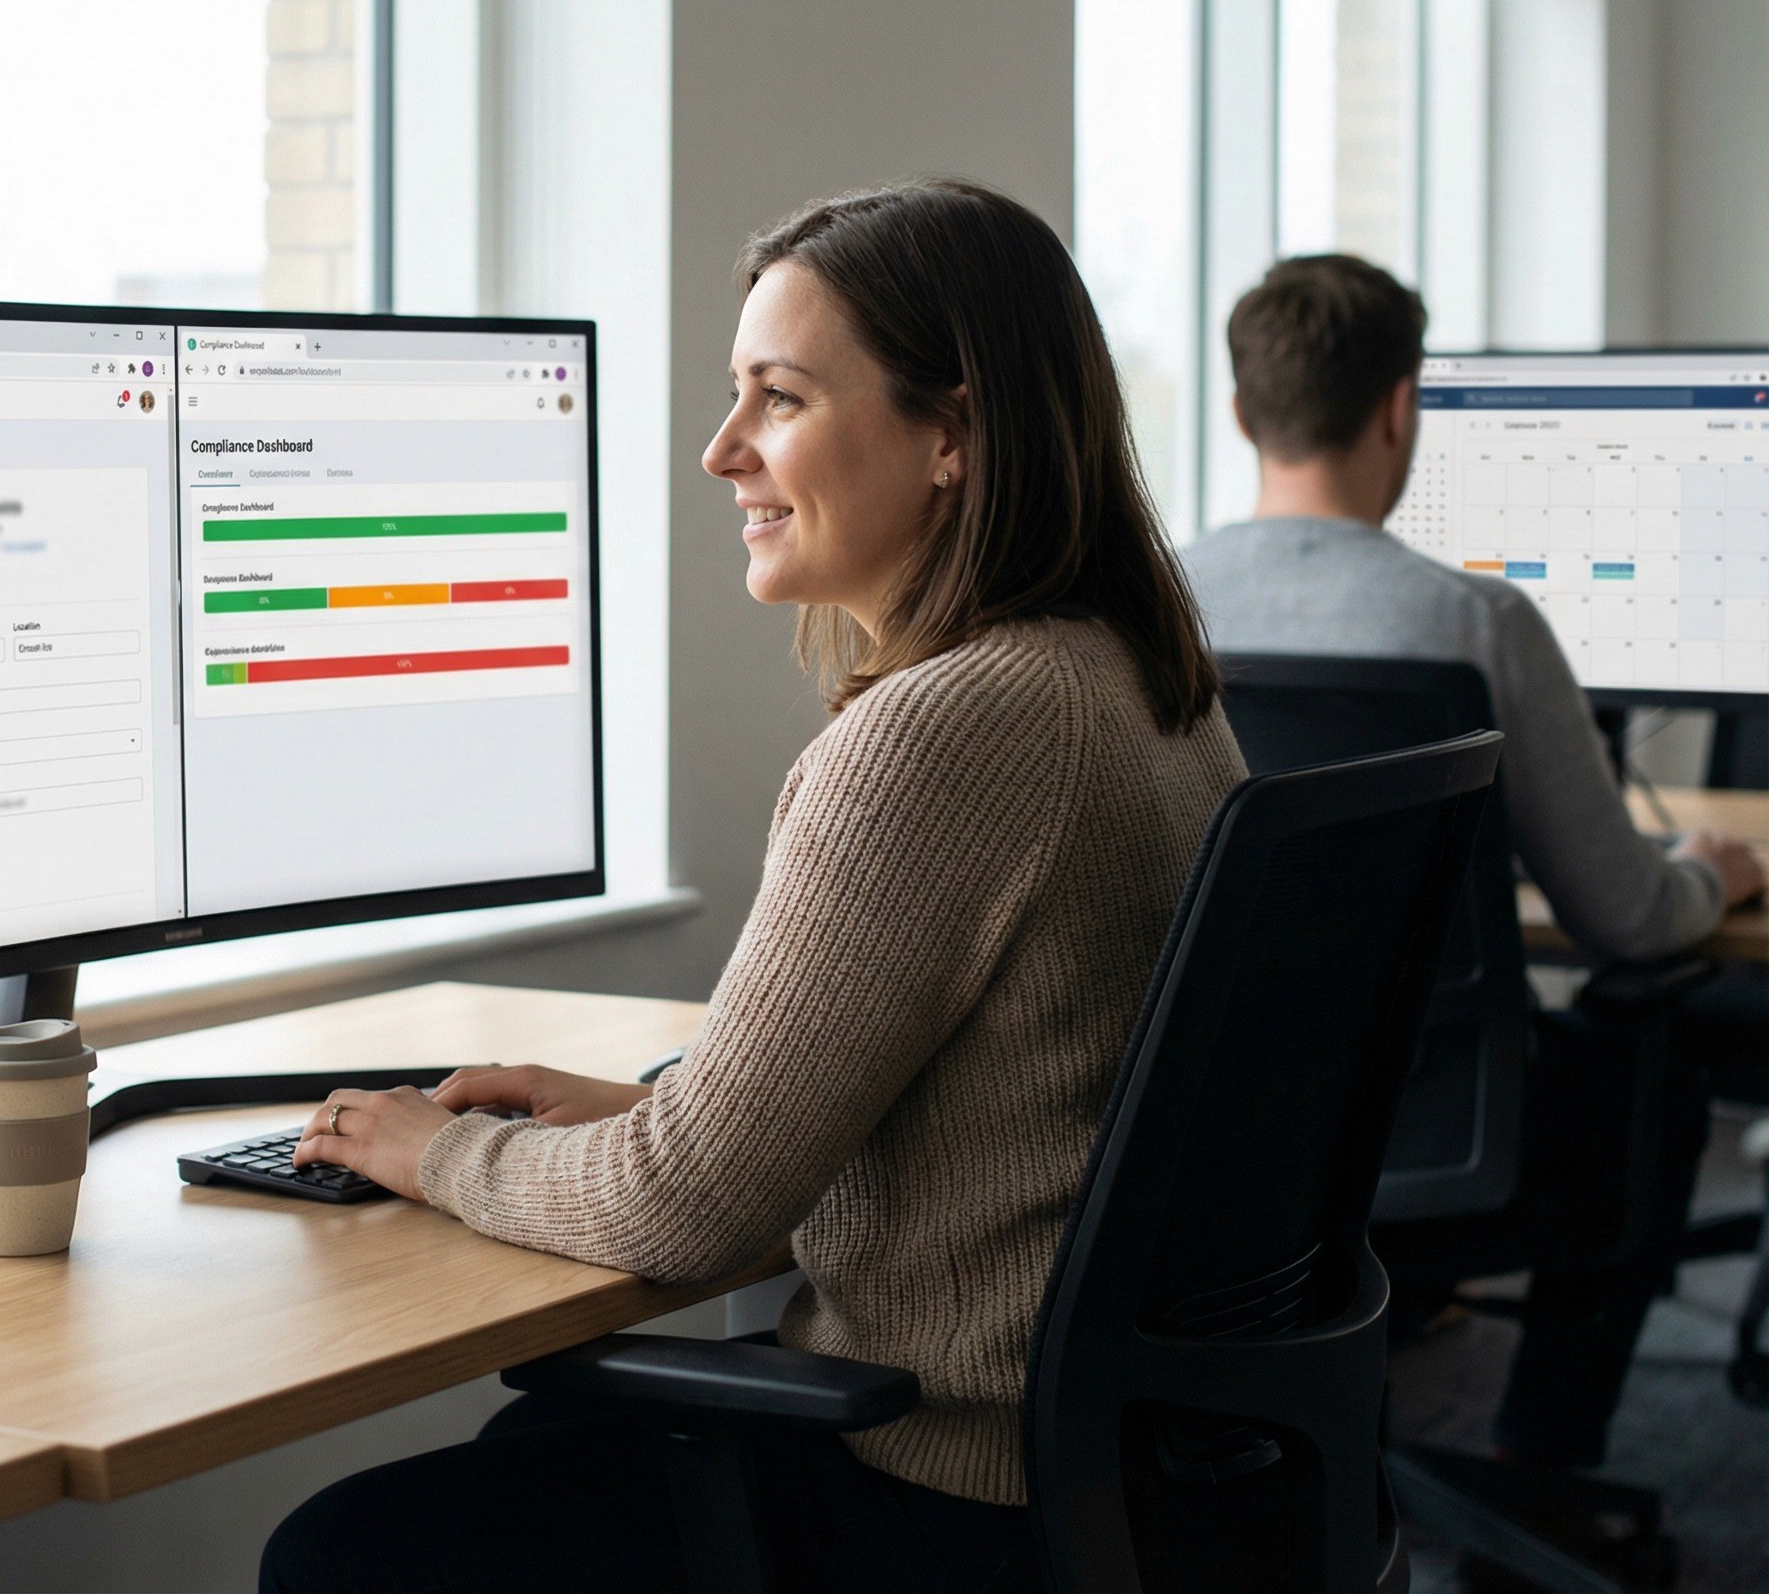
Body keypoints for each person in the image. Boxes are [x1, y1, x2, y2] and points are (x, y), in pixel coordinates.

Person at [257, 180, 1246, 1592]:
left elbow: (679, 1218)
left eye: (778, 400)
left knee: (342, 1556)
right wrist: (682, 1112)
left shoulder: (945, 732)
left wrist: (433, 1152)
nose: (722, 452)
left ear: (951, 435)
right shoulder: (1140, 679)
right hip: (1133, 1477)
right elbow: (1021, 1110)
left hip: (940, 1491)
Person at [1181, 252, 1767, 1471]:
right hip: (1444, 1131)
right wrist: (1715, 869)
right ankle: (1541, 1469)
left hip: (1205, 1135)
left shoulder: (1157, 606)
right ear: (1404, 408)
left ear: (1242, 412)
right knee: (1643, 1054)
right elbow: (1628, 917)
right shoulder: (1474, 622)